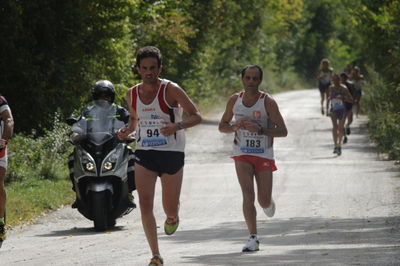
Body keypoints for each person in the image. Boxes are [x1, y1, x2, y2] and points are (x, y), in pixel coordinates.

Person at [117, 46, 202, 266]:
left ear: (160, 68)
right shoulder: (132, 93)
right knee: (145, 203)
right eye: (144, 68)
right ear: (137, 69)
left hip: (171, 153)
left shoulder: (171, 90)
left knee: (169, 208)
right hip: (145, 152)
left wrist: (177, 125)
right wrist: (127, 131)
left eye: (152, 68)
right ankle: (156, 255)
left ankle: (173, 216)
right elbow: (135, 120)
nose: (148, 72)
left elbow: (196, 116)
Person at [219, 65, 287, 252]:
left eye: (254, 78)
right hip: (242, 153)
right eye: (247, 78)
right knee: (248, 195)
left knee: (263, 201)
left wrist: (262, 130)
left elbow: (283, 131)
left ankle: (268, 201)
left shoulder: (268, 102)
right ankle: (253, 237)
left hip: (263, 154)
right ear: (242, 79)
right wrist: (234, 127)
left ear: (260, 81)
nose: (250, 82)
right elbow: (222, 126)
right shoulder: (235, 100)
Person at [68, 80, 136, 208]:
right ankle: (77, 193)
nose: (103, 99)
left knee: (131, 155)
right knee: (72, 157)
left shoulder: (119, 111)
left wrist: (130, 133)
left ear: (112, 97)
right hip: (92, 146)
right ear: (95, 97)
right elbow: (78, 124)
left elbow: (131, 123)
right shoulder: (88, 111)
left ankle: (129, 191)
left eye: (106, 96)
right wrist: (75, 133)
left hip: (114, 145)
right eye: (100, 95)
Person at [326, 74, 353, 155]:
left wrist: (343, 98)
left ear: (340, 80)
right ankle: (335, 145)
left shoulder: (344, 88)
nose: (336, 81)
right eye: (334, 79)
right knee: (335, 127)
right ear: (332, 80)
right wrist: (327, 109)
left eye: (337, 79)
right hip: (333, 109)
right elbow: (328, 98)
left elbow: (351, 100)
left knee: (340, 129)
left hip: (342, 110)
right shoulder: (330, 88)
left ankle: (339, 145)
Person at [0, 95, 14, 248]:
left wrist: (4, 140)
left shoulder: (1, 101)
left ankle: (0, 222)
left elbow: (8, 120)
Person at [340, 72, 356, 143]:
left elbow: (354, 93)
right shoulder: (338, 86)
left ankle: (347, 126)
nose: (343, 79)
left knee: (350, 119)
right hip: (341, 105)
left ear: (347, 78)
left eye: (344, 78)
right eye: (341, 78)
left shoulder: (351, 85)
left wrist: (354, 100)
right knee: (341, 122)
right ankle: (344, 136)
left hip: (349, 103)